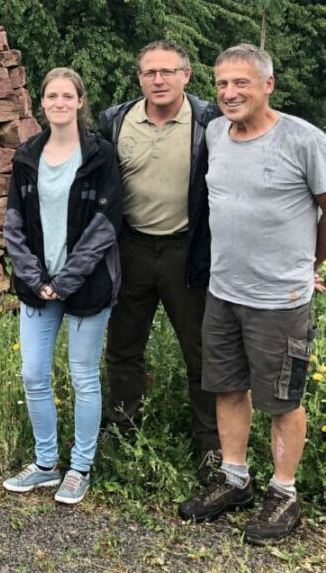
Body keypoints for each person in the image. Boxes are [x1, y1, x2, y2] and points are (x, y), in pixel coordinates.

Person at [177, 44, 326, 544]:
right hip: (224, 292)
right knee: (225, 387)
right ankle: (234, 478)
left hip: (279, 299)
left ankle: (284, 493)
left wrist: (311, 264)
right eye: (221, 83)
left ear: (268, 85)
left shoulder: (303, 140)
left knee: (282, 399)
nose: (228, 92)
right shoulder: (216, 134)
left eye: (240, 82)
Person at [98, 40, 222, 480]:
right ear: (140, 79)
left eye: (168, 71)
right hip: (130, 248)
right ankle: (121, 429)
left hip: (186, 251)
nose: (159, 80)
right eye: (150, 72)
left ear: (186, 75)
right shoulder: (115, 121)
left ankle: (211, 447)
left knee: (202, 352)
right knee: (123, 347)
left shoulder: (210, 121)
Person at [2, 68, 122, 505]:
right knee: (34, 374)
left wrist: (66, 280)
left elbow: (106, 225)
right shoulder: (27, 155)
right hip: (38, 286)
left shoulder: (101, 155)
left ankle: (80, 468)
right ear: (42, 103)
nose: (58, 102)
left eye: (66, 95)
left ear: (79, 101)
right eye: (51, 95)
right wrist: (38, 279)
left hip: (87, 285)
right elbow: (13, 225)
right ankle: (46, 465)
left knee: (83, 377)